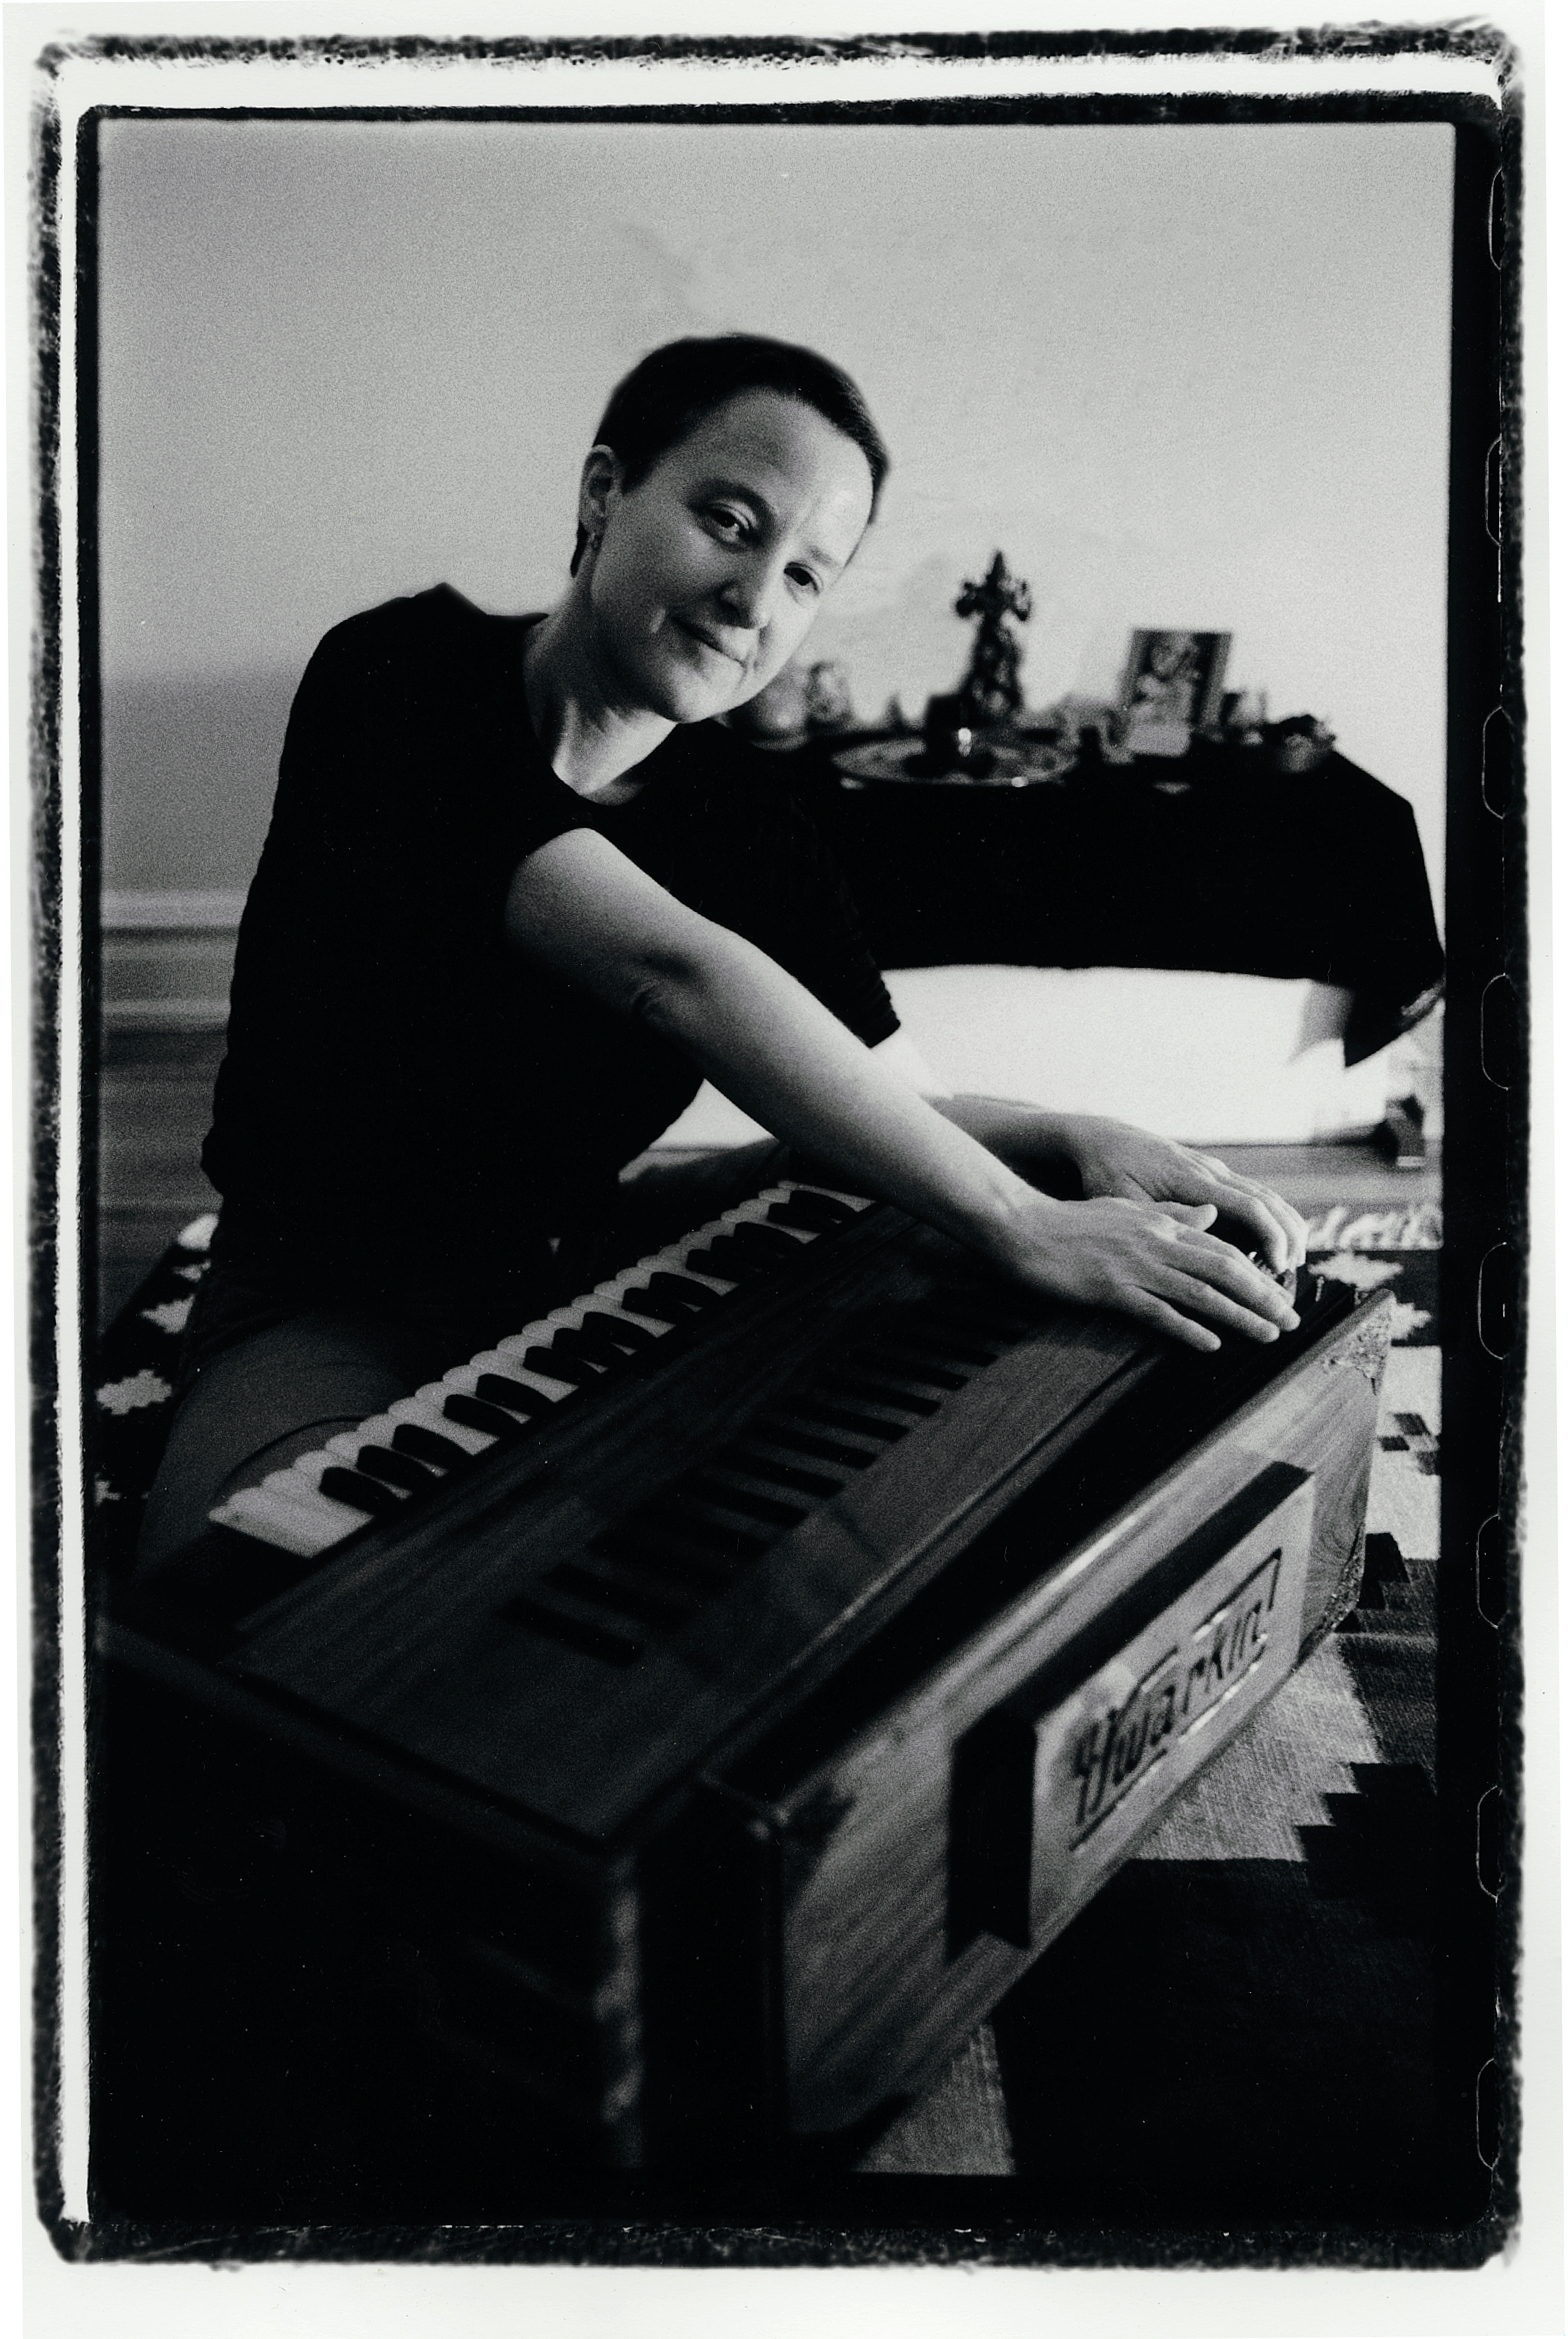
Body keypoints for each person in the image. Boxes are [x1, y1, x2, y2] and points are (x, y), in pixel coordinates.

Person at [137, 334, 1305, 1572]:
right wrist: (1018, 1217)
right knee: (253, 1590)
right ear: (604, 491)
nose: (754, 601)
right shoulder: (399, 673)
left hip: (576, 1252)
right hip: (330, 1287)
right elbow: (670, 971)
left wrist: (1071, 1135)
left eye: (804, 575)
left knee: (919, 1199)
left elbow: (902, 1104)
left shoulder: (751, 825)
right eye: (729, 523)